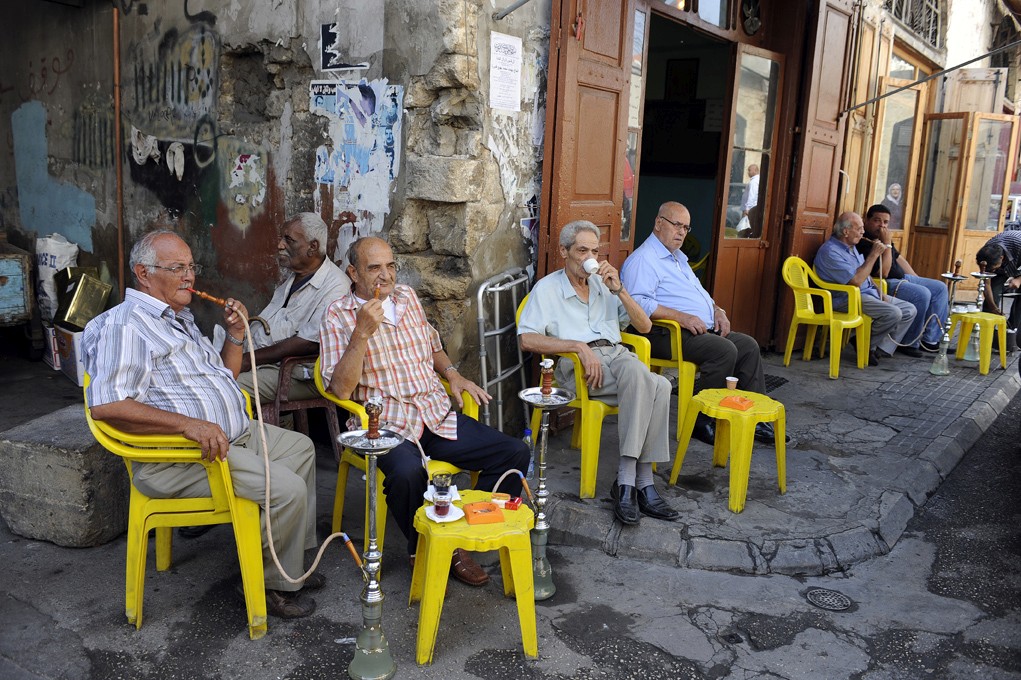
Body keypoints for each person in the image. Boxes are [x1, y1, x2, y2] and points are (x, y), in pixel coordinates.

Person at [82, 230, 321, 619]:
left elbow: (225, 378)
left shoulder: (178, 317)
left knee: (301, 449)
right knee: (287, 489)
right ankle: (270, 587)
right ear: (143, 273)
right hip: (179, 459)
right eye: (177, 268)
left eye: (191, 267)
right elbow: (107, 405)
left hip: (228, 439)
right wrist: (188, 425)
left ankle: (286, 563)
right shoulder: (126, 326)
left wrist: (236, 335)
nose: (189, 276)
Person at [319, 237, 529, 586]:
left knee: (513, 453)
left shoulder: (407, 298)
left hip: (434, 413)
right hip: (384, 424)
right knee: (405, 474)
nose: (385, 276)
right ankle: (426, 546)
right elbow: (339, 390)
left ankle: (458, 535)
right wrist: (361, 334)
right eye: (374, 268)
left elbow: (433, 346)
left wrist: (453, 374)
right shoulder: (337, 315)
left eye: (390, 266)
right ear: (353, 272)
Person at [517, 220, 677, 526]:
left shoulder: (605, 286)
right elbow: (527, 339)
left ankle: (634, 481)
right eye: (581, 250)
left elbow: (644, 327)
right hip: (578, 369)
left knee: (658, 384)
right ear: (564, 251)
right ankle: (634, 482)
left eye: (594, 250)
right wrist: (577, 346)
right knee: (649, 379)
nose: (589, 256)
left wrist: (620, 290)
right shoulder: (548, 288)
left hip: (616, 358)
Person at [621, 201, 780, 446]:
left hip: (698, 329)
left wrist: (718, 310)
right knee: (724, 350)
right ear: (658, 223)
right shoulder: (644, 259)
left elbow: (699, 294)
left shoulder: (677, 259)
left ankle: (753, 418)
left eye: (686, 228)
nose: (682, 232)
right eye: (677, 225)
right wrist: (681, 317)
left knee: (748, 345)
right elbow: (638, 303)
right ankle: (702, 420)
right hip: (662, 333)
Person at [236, 213, 349, 407]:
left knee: (228, 387)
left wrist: (248, 360)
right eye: (282, 239)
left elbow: (307, 343)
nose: (280, 245)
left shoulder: (336, 286)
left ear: (313, 247)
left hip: (297, 373)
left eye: (289, 240)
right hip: (268, 364)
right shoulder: (294, 278)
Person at [814, 211, 918, 365]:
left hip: (867, 294)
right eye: (859, 228)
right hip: (847, 298)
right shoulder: (830, 252)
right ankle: (864, 344)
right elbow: (855, 281)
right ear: (846, 231)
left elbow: (865, 273)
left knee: (909, 310)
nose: (863, 232)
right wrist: (874, 255)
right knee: (893, 313)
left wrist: (879, 291)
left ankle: (874, 348)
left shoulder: (851, 246)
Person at [856, 204, 947, 354]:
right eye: (877, 221)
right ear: (867, 220)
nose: (882, 226)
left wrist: (916, 278)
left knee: (939, 287)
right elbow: (884, 272)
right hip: (887, 282)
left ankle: (931, 340)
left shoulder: (884, 237)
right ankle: (908, 342)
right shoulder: (863, 241)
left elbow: (899, 259)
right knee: (922, 294)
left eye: (885, 222)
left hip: (903, 278)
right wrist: (886, 245)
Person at [976, 230, 1021, 332]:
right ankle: (986, 334)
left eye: (993, 269)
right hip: (1004, 267)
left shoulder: (1018, 242)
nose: (992, 271)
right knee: (991, 297)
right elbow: (986, 283)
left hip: (1018, 258)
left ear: (1002, 258)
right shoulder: (986, 254)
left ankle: (1011, 331)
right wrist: (993, 308)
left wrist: (1018, 279)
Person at [738, 163, 761, 238]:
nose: (748, 172)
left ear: (755, 170)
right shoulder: (756, 180)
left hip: (750, 209)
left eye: (749, 170)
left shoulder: (754, 181)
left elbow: (752, 195)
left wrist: (747, 209)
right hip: (752, 208)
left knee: (746, 228)